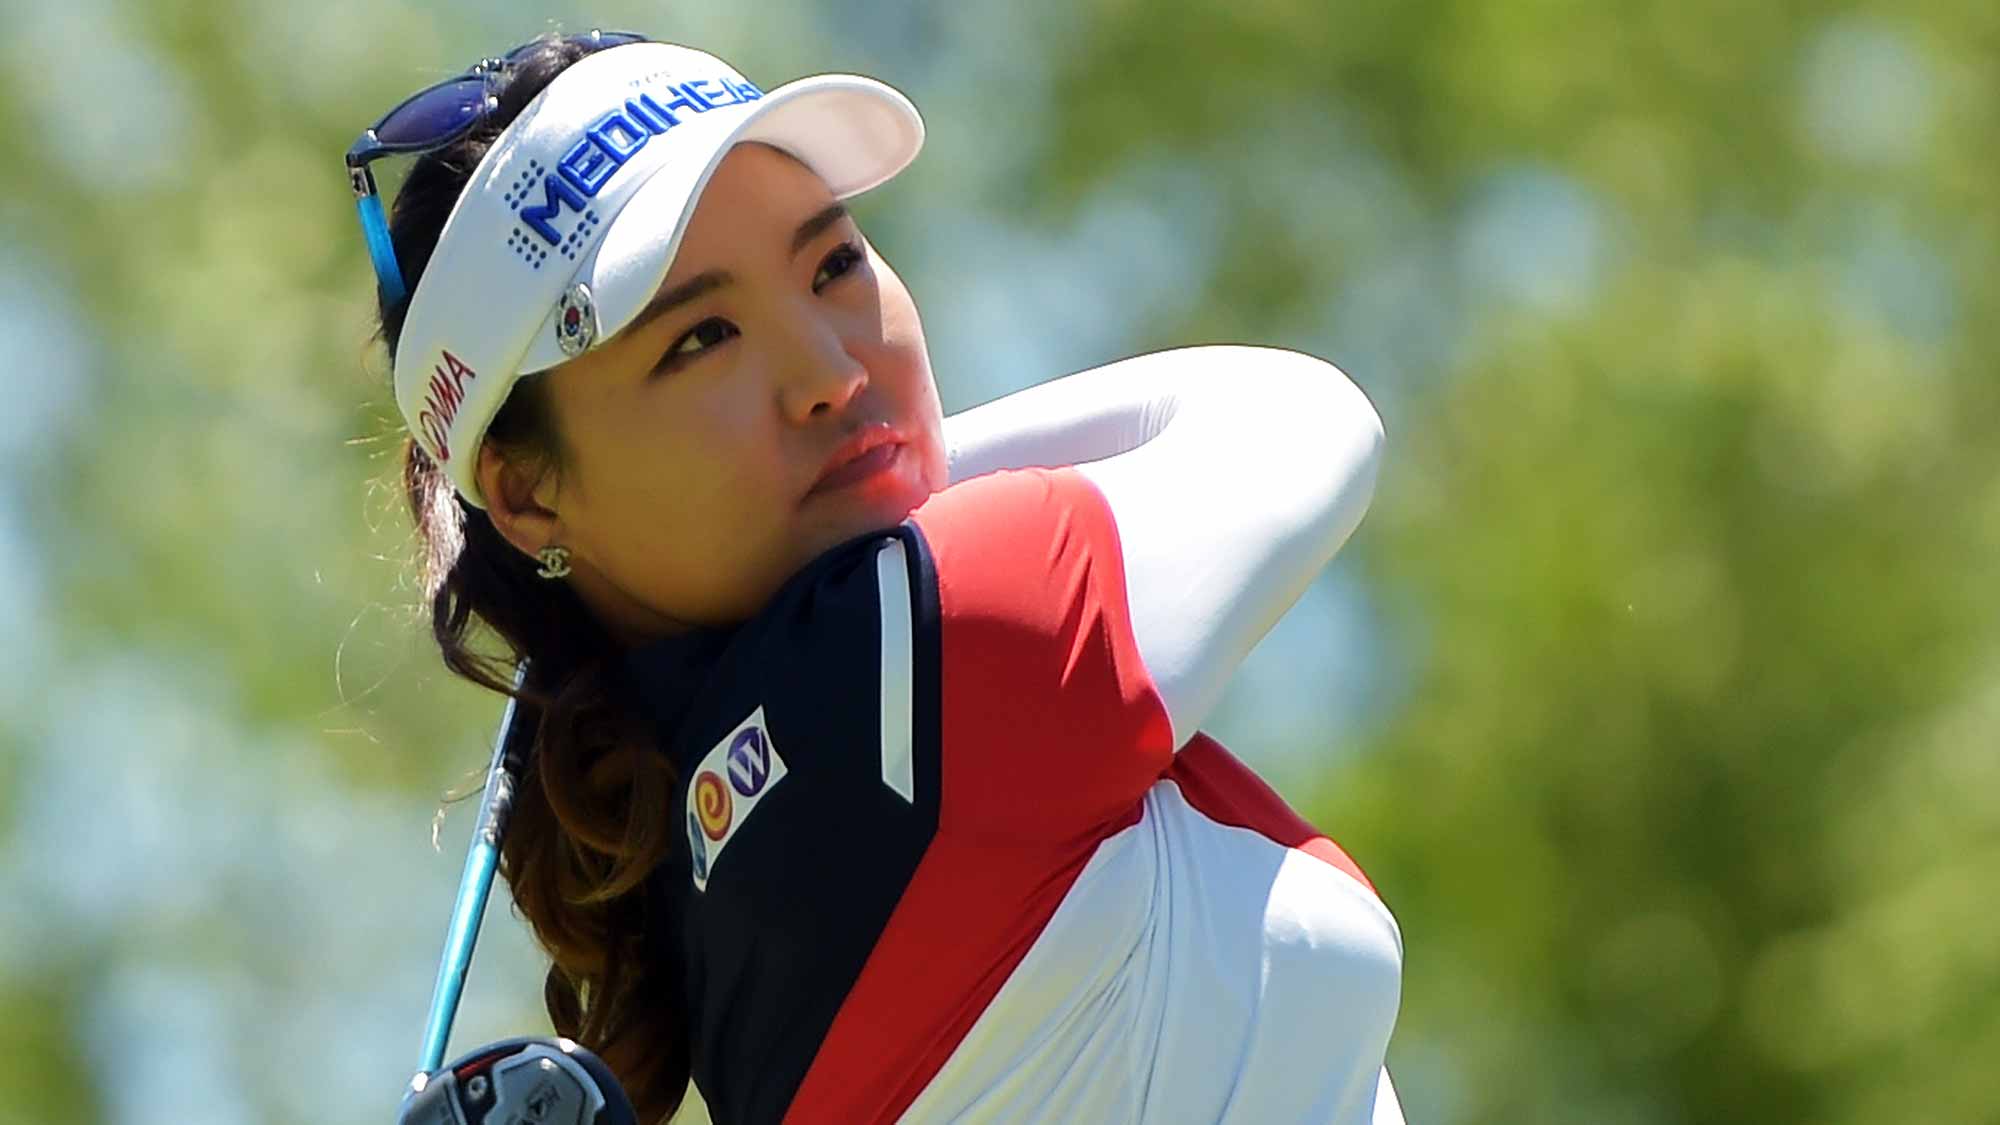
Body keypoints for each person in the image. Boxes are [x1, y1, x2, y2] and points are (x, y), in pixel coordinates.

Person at [355, 29, 1402, 1125]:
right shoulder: (939, 638)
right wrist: (906, 470)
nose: (828, 371)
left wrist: (875, 479)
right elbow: (1303, 419)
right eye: (700, 338)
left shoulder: (704, 881)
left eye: (833, 265)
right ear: (524, 496)